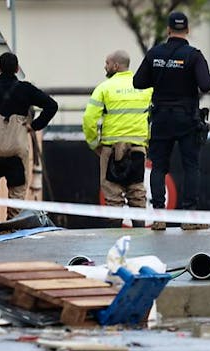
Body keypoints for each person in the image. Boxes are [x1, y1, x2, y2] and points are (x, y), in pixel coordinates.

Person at [133, 11, 210, 231]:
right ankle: (189, 217)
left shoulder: (154, 54)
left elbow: (138, 82)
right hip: (187, 119)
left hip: (160, 118)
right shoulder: (194, 55)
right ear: (187, 30)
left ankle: (159, 216)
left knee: (159, 166)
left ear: (168, 29)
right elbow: (206, 84)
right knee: (191, 167)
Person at [0, 52, 57, 222]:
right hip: (17, 153)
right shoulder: (26, 89)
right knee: (17, 195)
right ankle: (12, 229)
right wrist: (34, 126)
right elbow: (51, 105)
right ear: (17, 69)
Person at [83, 50, 153, 228]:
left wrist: (94, 145)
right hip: (138, 148)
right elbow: (154, 116)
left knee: (113, 198)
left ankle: (113, 242)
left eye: (107, 63)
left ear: (115, 66)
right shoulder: (145, 87)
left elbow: (89, 119)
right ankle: (140, 238)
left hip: (111, 150)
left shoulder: (104, 88)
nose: (105, 66)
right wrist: (147, 142)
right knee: (137, 195)